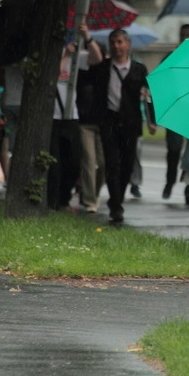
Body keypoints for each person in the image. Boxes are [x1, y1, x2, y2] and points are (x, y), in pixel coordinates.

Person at [83, 28, 156, 226]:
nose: (117, 46)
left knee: (127, 165)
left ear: (128, 44)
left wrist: (152, 120)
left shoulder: (139, 69)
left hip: (131, 124)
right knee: (112, 164)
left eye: (120, 42)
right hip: (108, 122)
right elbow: (84, 81)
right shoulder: (102, 68)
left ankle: (118, 199)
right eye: (113, 42)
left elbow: (149, 96)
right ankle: (116, 207)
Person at [47, 26, 103, 211]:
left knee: (73, 161)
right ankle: (54, 202)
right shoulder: (53, 56)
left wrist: (87, 35)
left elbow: (97, 58)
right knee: (54, 164)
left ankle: (64, 197)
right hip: (53, 117)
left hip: (72, 116)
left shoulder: (76, 57)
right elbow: (51, 76)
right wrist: (65, 56)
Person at [163, 24, 189, 200]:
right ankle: (170, 181)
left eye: (188, 35)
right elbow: (162, 84)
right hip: (176, 112)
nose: (185, 38)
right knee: (174, 149)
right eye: (182, 35)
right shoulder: (171, 58)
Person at [76, 35, 107, 213]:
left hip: (102, 123)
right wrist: (87, 38)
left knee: (103, 164)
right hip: (85, 122)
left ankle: (93, 193)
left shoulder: (107, 71)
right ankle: (89, 200)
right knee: (89, 160)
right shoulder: (82, 69)